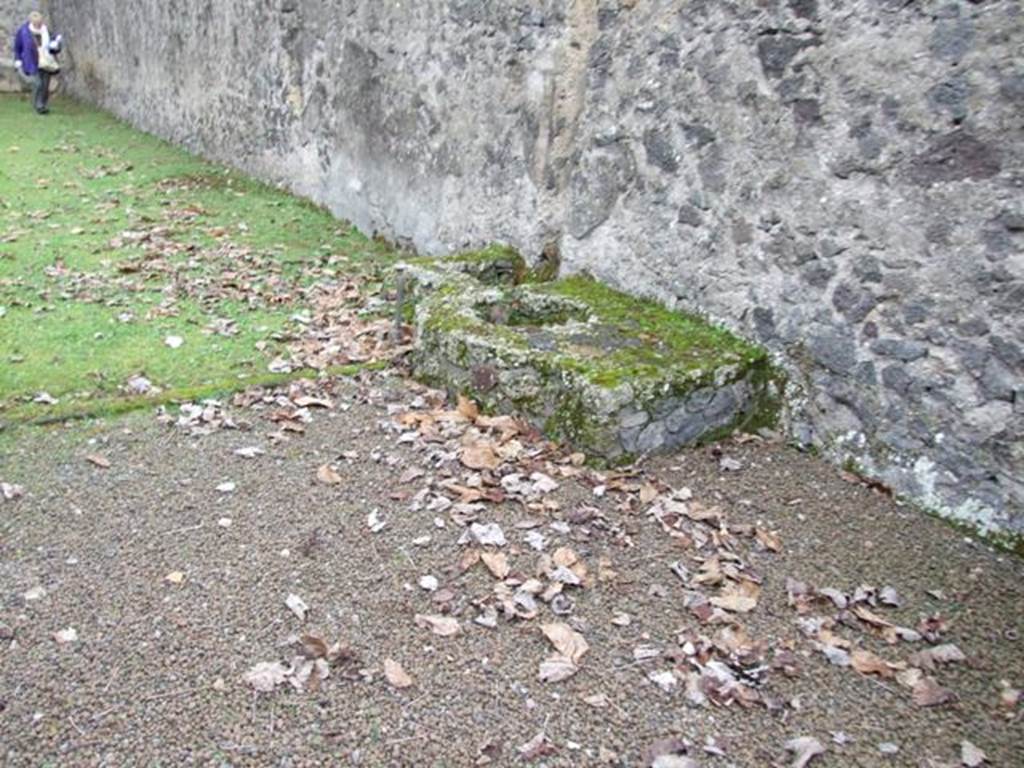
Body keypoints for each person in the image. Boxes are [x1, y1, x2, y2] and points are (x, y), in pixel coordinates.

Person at [13, 11, 63, 114]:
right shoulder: (23, 32)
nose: (38, 25)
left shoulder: (46, 31)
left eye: (40, 23)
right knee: (38, 83)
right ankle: (38, 105)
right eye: (36, 23)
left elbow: (54, 47)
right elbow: (18, 47)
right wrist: (18, 60)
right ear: (31, 21)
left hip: (46, 60)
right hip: (32, 61)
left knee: (45, 85)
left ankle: (43, 104)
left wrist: (56, 44)